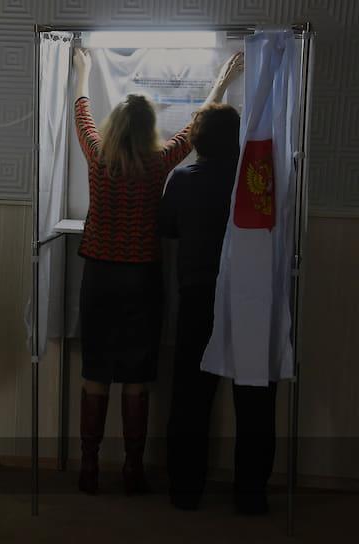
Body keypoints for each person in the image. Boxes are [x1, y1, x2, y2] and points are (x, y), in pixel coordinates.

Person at [72, 49, 244, 495]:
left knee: (95, 371)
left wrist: (83, 72)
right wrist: (220, 85)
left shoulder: (97, 158)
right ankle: (133, 469)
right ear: (149, 130)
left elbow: (82, 115)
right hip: (142, 279)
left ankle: (89, 467)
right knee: (136, 376)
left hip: (99, 277)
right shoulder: (157, 164)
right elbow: (191, 133)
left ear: (114, 128)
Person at [160, 101, 276, 515]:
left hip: (198, 294)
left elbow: (168, 228)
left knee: (191, 396)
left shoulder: (182, 179)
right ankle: (251, 495)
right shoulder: (253, 181)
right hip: (248, 295)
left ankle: (185, 491)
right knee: (254, 396)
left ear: (198, 140)